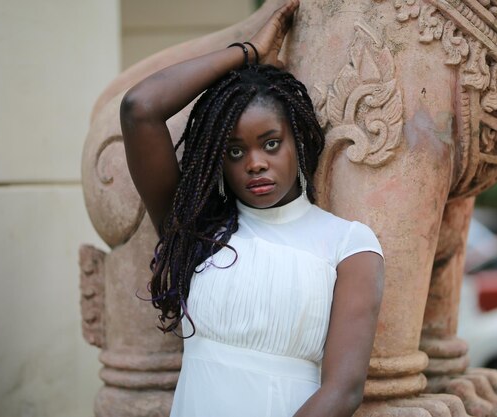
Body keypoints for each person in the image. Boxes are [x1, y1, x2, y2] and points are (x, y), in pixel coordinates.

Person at [120, 1, 384, 416]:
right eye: (235, 150)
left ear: (299, 140)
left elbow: (342, 391)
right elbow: (140, 109)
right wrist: (248, 53)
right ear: (218, 160)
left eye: (271, 143)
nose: (255, 162)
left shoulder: (349, 245)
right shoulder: (200, 231)